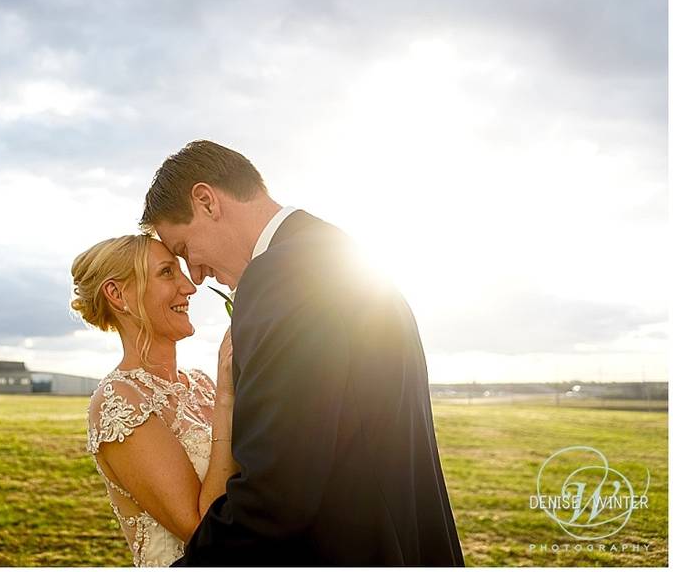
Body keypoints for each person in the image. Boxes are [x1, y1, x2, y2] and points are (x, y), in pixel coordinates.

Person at [139, 140, 465, 566]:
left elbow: (277, 494)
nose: (196, 277)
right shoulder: (340, 254)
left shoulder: (278, 276)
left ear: (206, 201)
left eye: (184, 251)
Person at [72, 234, 240, 566]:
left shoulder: (202, 384)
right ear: (118, 295)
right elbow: (202, 530)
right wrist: (227, 399)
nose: (189, 288)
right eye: (167, 273)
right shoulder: (117, 401)